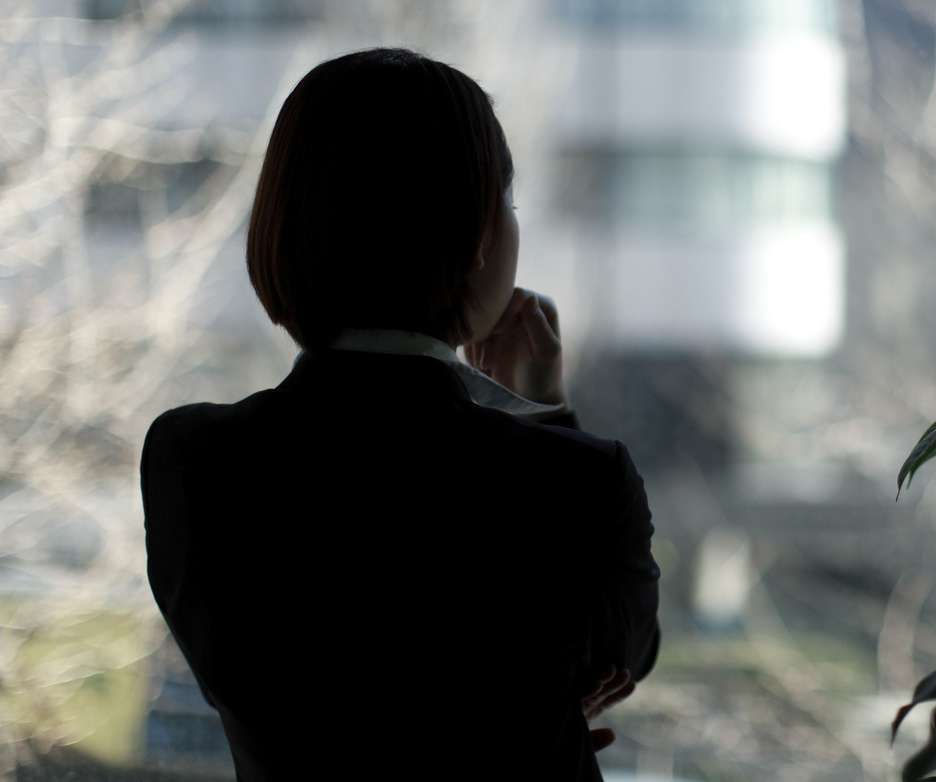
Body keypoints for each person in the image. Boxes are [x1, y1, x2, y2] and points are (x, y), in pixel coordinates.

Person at [140, 48, 660, 780]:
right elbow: (623, 654)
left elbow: (329, 694)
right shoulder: (572, 479)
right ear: (479, 234)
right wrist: (540, 412)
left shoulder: (192, 461)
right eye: (508, 203)